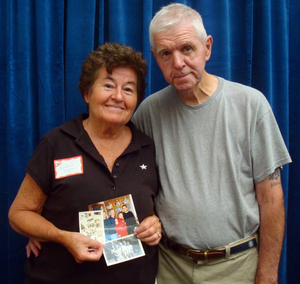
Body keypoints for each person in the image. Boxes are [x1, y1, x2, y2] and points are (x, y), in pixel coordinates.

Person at [132, 3, 292, 284]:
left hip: (237, 267)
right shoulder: (148, 113)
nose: (178, 63)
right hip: (171, 267)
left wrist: (267, 274)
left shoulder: (251, 106)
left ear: (207, 47)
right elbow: (118, 177)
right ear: (155, 58)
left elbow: (271, 200)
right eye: (166, 54)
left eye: (187, 49)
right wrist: (47, 225)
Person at [8, 42, 161, 284]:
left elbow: (154, 207)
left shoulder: (147, 148)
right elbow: (18, 214)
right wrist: (61, 236)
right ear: (87, 93)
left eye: (129, 90)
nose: (118, 97)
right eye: (108, 85)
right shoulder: (56, 143)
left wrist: (155, 224)